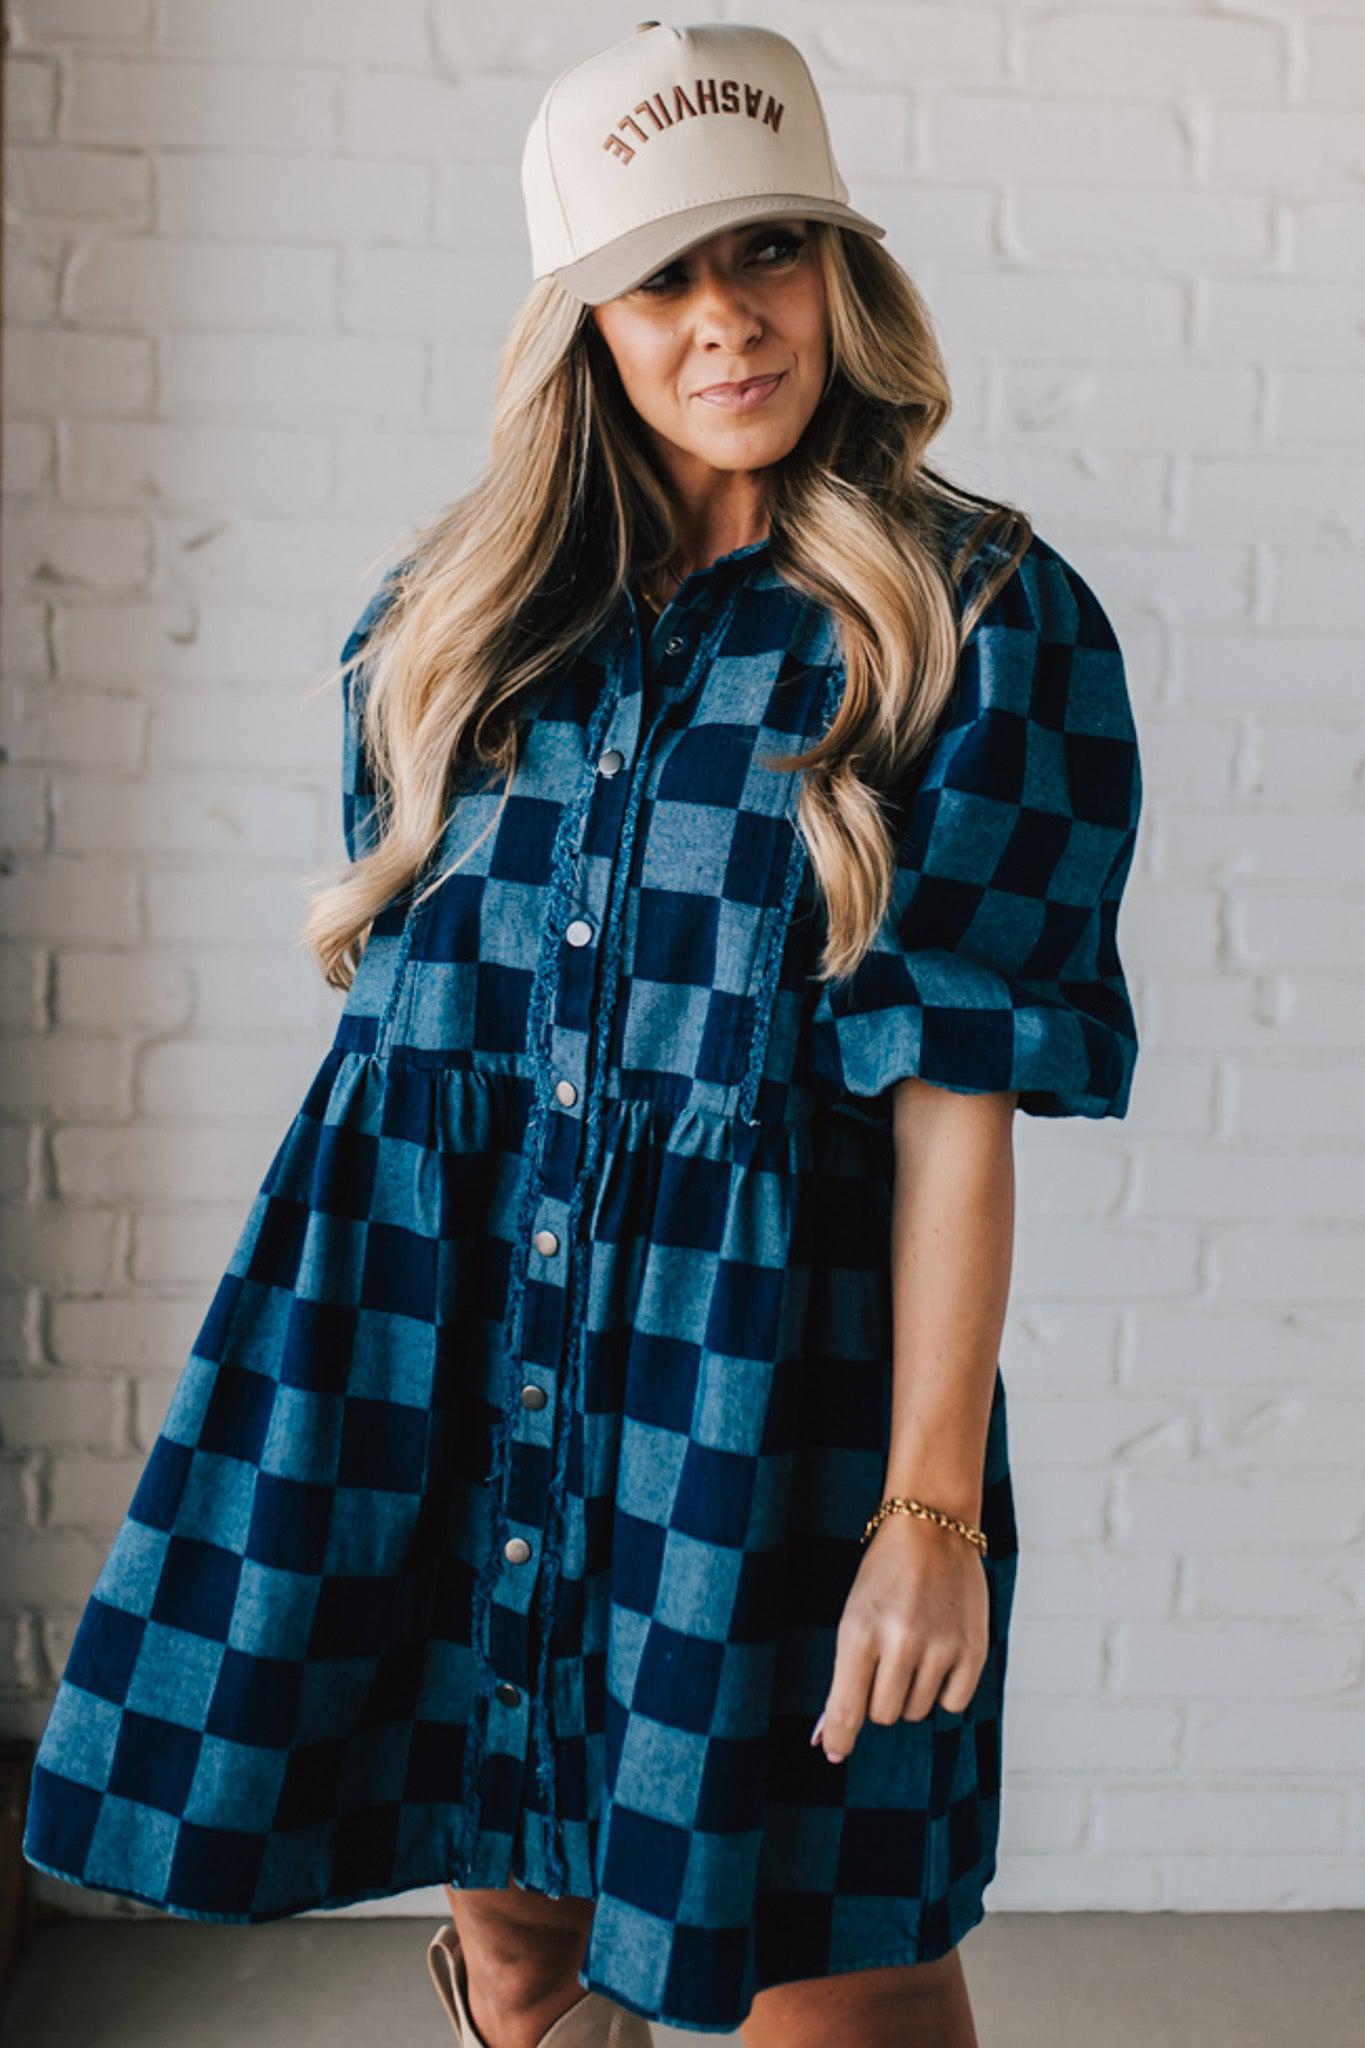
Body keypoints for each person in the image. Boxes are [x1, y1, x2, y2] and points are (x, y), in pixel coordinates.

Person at [21, 20, 1142, 2048]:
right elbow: (414, 1075)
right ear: (583, 319)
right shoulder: (440, 628)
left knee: (832, 1964)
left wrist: (927, 1514)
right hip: (438, 1380)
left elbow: (951, 1110)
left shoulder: (975, 622)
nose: (727, 320)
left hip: (759, 1409)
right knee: (519, 1936)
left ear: (839, 273)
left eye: (770, 253)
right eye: (661, 277)